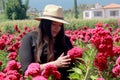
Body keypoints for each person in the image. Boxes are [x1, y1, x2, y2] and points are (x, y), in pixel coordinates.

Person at [19, 4, 73, 80]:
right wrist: (55, 64)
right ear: (45, 23)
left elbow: (72, 67)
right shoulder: (29, 39)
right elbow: (27, 70)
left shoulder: (65, 40)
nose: (57, 28)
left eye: (60, 25)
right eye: (54, 24)